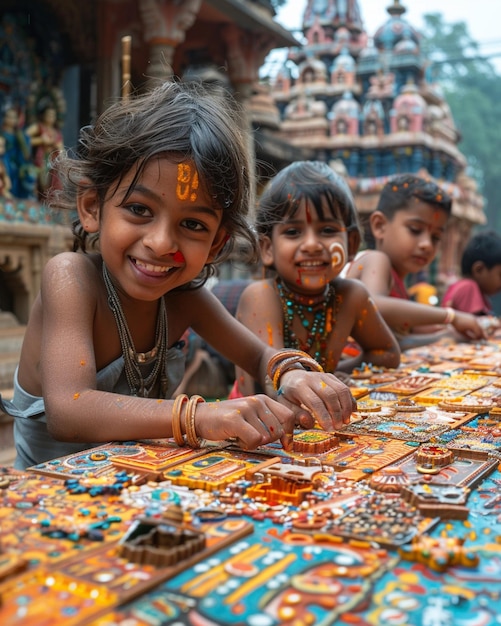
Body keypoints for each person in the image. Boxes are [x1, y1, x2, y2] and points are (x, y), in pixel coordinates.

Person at [0, 81, 355, 470]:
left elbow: (258, 356)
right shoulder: (70, 279)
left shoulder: (184, 298)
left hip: (137, 487)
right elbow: (70, 410)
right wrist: (201, 418)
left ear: (217, 244)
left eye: (192, 224)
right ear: (91, 207)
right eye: (138, 210)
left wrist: (291, 374)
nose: (161, 242)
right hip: (47, 501)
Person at [232, 160, 401, 397]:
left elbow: (387, 354)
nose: (311, 245)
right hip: (258, 423)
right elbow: (273, 386)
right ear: (268, 248)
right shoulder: (261, 297)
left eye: (328, 231)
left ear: (351, 244)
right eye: (293, 232)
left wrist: (335, 375)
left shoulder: (351, 296)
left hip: (315, 418)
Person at [343, 173, 487, 349]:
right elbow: (373, 305)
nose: (427, 245)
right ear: (380, 226)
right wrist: (451, 317)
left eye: (435, 237)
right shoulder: (376, 260)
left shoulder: (397, 284)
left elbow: (399, 343)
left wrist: (447, 335)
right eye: (415, 230)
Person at [442, 230, 501, 323]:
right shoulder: (468, 287)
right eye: (500, 275)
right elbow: (477, 325)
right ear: (479, 270)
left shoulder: (466, 287)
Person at [26, 101, 64, 199]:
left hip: (54, 160)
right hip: (42, 158)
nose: (51, 117)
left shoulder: (56, 132)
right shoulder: (39, 127)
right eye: (48, 114)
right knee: (42, 184)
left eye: (53, 115)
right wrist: (40, 140)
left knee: (54, 183)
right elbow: (25, 137)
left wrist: (61, 151)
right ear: (43, 115)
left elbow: (62, 149)